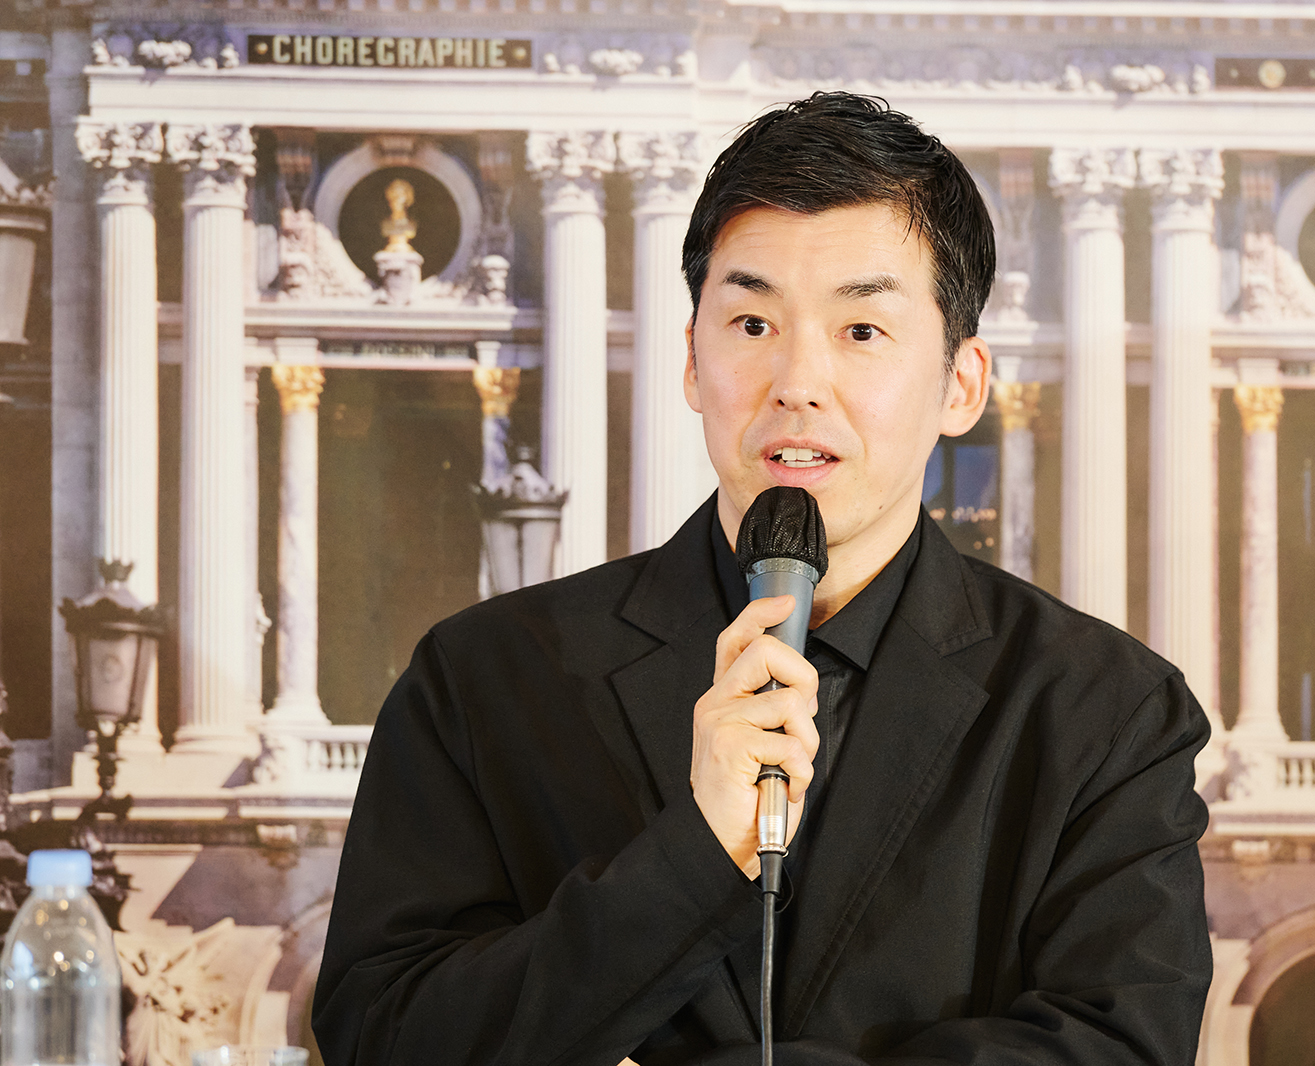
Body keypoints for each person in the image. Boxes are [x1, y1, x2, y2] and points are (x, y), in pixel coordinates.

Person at [313, 92, 1212, 1066]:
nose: (796, 381)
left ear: (962, 383)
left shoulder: (1102, 710)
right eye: (750, 322)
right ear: (693, 361)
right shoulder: (483, 678)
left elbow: (1121, 1045)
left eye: (861, 331)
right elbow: (382, 1031)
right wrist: (694, 855)